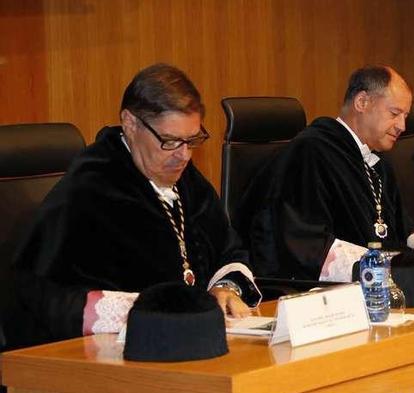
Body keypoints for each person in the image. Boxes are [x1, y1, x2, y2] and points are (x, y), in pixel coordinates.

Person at [5, 63, 261, 349]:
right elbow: (45, 296)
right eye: (170, 141)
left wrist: (225, 288)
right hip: (109, 356)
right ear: (130, 123)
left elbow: (226, 247)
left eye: (192, 140)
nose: (184, 156)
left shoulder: (186, 181)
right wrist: (149, 312)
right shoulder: (88, 191)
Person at [244, 65, 414, 281]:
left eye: (405, 115)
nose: (402, 126)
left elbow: (400, 228)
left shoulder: (377, 162)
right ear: (362, 102)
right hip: (327, 296)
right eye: (395, 113)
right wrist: (391, 267)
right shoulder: (310, 154)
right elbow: (307, 244)